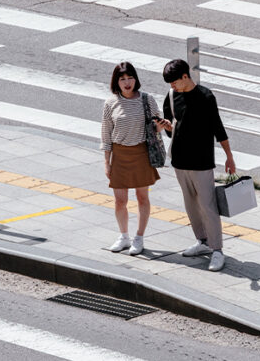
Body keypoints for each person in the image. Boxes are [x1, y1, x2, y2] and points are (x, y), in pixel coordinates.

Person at [158, 59, 236, 272]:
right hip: (180, 161)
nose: (172, 87)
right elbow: (171, 129)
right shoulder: (172, 96)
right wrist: (164, 126)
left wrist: (229, 156)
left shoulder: (205, 97)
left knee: (208, 205)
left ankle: (217, 249)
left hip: (202, 161)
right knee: (191, 204)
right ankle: (202, 242)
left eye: (174, 82)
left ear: (185, 76)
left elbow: (217, 127)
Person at [100, 62, 164, 256]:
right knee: (120, 201)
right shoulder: (110, 103)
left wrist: (160, 126)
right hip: (119, 154)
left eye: (130, 78)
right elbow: (106, 134)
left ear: (136, 79)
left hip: (141, 153)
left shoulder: (147, 99)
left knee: (142, 197)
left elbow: (156, 125)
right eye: (122, 79)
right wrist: (106, 162)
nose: (127, 83)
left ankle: (139, 237)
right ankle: (123, 236)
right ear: (116, 82)